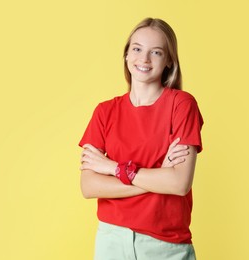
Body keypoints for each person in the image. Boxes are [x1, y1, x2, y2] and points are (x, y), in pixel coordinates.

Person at [79, 18, 203, 260]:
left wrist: (112, 168)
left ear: (169, 61)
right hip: (111, 241)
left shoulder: (182, 105)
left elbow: (179, 183)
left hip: (165, 245)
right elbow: (89, 186)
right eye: (137, 49)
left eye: (156, 52)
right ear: (126, 55)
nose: (144, 60)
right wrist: (157, 174)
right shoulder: (105, 111)